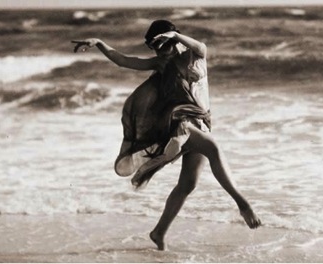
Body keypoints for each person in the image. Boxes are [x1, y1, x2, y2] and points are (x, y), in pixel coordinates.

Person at [72, 20, 261, 251]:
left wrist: (174, 36)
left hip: (202, 122)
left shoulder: (195, 55)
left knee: (187, 184)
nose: (159, 51)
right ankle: (243, 204)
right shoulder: (161, 63)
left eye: (162, 44)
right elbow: (124, 60)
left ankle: (158, 232)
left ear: (173, 38)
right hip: (179, 119)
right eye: (155, 47)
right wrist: (100, 43)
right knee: (214, 150)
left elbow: (201, 46)